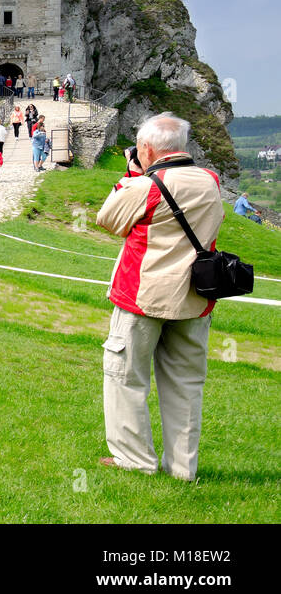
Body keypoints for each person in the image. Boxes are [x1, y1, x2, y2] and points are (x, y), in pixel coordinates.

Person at [95, 114, 224, 481]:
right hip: (195, 298)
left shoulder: (147, 186)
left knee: (126, 377)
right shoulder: (211, 181)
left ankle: (134, 459)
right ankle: (183, 468)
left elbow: (107, 218)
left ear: (147, 149)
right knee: (185, 383)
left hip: (143, 295)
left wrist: (133, 174)